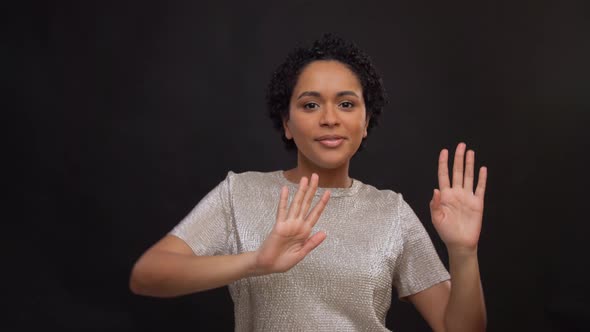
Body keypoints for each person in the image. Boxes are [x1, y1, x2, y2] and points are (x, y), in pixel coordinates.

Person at [129, 33, 488, 332]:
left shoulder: (391, 211)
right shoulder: (240, 193)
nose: (330, 118)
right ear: (286, 123)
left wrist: (463, 252)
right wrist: (256, 262)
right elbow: (148, 275)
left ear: (365, 123)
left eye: (346, 104)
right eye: (311, 105)